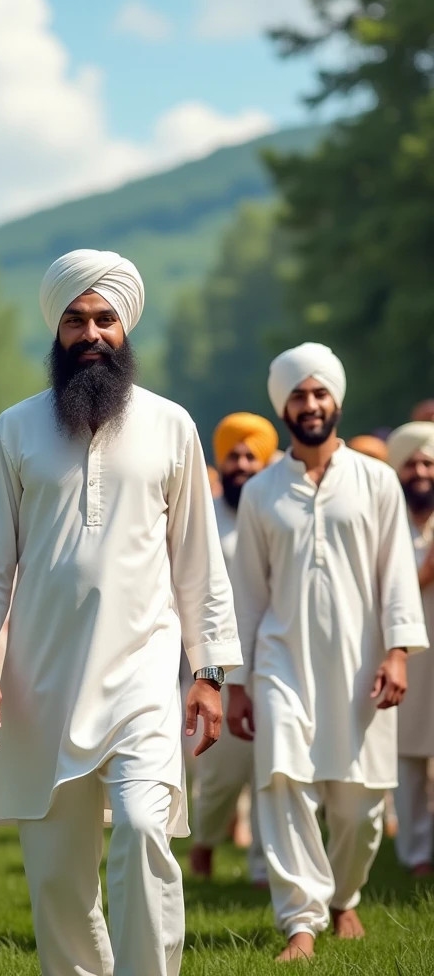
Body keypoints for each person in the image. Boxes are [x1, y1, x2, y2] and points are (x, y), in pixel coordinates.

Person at [0, 249, 242, 976]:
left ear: (125, 326)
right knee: (56, 875)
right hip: (42, 680)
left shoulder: (171, 426)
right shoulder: (15, 430)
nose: (91, 333)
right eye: (75, 320)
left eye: (105, 318)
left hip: (143, 674)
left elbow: (199, 563)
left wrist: (207, 671)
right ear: (56, 330)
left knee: (143, 829)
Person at [227, 342, 428, 963]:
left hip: (361, 666)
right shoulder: (262, 492)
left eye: (319, 393)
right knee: (283, 785)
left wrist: (396, 652)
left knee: (361, 811)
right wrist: (236, 681)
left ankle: (344, 901)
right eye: (297, 394)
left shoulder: (375, 483)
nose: (309, 405)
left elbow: (398, 573)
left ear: (336, 399)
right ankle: (301, 925)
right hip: (281, 663)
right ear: (282, 406)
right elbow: (248, 596)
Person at [190, 412, 278, 885]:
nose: (242, 464)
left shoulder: (274, 513)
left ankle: (263, 868)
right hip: (216, 664)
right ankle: (204, 841)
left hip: (275, 657)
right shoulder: (205, 514)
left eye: (251, 455)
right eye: (233, 456)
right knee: (221, 770)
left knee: (271, 766)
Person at [387, 422, 434, 876]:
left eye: (428, 463)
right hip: (408, 656)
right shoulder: (389, 523)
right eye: (412, 464)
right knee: (409, 754)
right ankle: (416, 854)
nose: (420, 472)